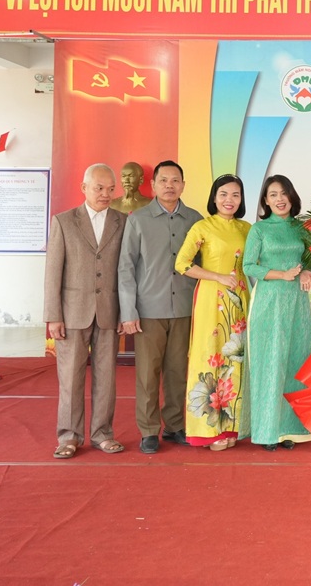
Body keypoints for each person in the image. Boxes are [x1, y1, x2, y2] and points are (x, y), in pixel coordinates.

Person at [117, 160, 202, 454]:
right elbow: (126, 268)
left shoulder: (195, 220)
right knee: (147, 374)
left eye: (175, 180)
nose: (169, 185)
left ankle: (175, 426)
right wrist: (128, 312)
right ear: (153, 185)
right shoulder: (138, 220)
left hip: (184, 309)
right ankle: (149, 430)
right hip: (149, 311)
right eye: (163, 180)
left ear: (183, 185)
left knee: (178, 372)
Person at [44, 163, 127, 460]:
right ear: (84, 188)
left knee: (107, 378)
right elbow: (53, 272)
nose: (106, 194)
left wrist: (126, 312)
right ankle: (69, 436)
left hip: (109, 312)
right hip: (72, 313)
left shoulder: (123, 222)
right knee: (70, 378)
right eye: (99, 188)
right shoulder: (64, 221)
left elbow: (127, 271)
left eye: (110, 189)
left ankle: (103, 433)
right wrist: (53, 316)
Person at [176, 174, 252, 451]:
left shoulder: (247, 228)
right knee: (211, 355)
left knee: (236, 359)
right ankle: (209, 430)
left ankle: (232, 426)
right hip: (211, 298)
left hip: (240, 300)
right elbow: (182, 263)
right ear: (214, 198)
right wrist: (217, 276)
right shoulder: (202, 227)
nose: (229, 200)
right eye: (223, 194)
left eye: (235, 195)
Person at [243, 175, 311, 451]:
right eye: (273, 194)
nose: (279, 199)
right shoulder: (259, 229)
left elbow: (310, 260)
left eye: (284, 193)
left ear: (292, 196)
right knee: (270, 362)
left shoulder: (301, 228)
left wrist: (305, 271)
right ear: (265, 200)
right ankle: (267, 429)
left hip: (297, 303)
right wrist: (280, 274)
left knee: (295, 361)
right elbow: (249, 266)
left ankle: (290, 429)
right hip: (269, 301)